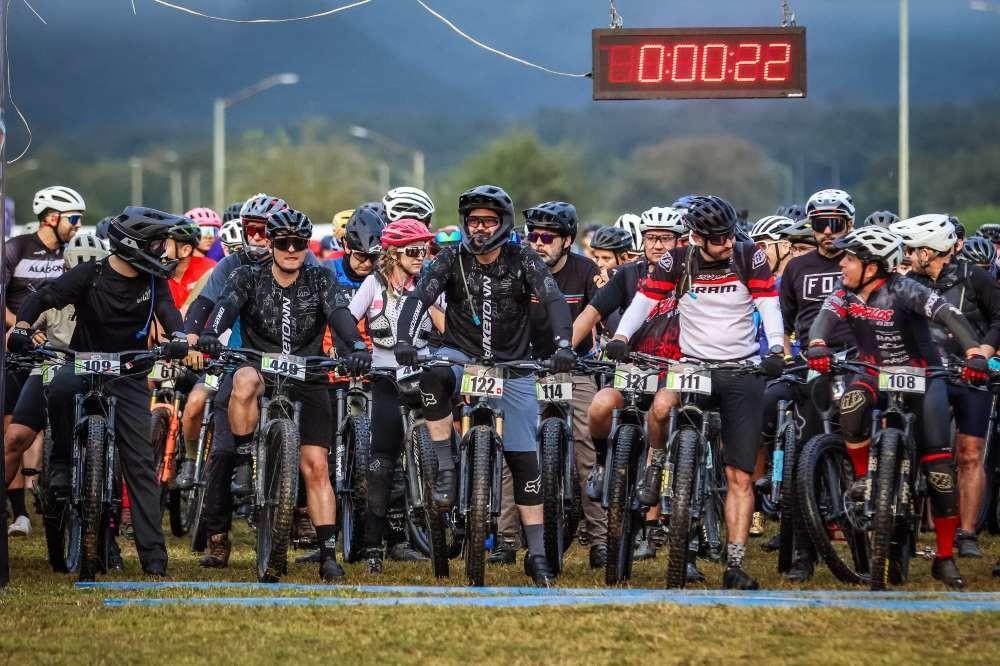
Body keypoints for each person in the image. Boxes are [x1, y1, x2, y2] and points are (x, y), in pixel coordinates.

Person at [393, 185, 576, 586]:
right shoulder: (450, 258)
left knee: (524, 458)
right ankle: (444, 466)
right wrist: (404, 341)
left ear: (503, 224)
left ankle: (538, 554)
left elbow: (554, 299)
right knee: (430, 376)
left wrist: (564, 344)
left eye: (488, 221)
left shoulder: (522, 257)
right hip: (461, 359)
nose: (479, 228)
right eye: (473, 221)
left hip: (514, 367)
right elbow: (417, 299)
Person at [607, 195, 786, 590]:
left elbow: (769, 304)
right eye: (717, 238)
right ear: (696, 237)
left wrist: (774, 346)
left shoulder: (747, 256)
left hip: (742, 369)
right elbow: (643, 301)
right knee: (663, 404)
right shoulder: (677, 261)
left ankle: (735, 564)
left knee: (739, 476)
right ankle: (655, 468)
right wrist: (621, 336)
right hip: (692, 366)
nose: (726, 242)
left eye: (728, 235)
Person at [9, 207, 190, 576]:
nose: (162, 251)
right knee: (58, 387)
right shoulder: (89, 274)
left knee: (140, 465)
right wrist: (22, 327)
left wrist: (181, 338)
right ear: (133, 244)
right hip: (82, 363)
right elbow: (42, 298)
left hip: (129, 375)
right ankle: (59, 464)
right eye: (156, 243)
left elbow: (171, 316)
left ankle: (154, 559)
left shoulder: (155, 282)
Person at [806, 225, 989, 589]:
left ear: (872, 267)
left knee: (938, 470)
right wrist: (816, 345)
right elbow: (821, 323)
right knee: (852, 403)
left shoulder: (906, 289)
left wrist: (973, 352)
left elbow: (951, 316)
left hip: (924, 377)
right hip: (873, 372)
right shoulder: (845, 293)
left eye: (850, 259)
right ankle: (862, 479)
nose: (842, 264)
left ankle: (944, 556)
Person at [196, 207, 372, 582]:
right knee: (242, 380)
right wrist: (211, 332)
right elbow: (225, 309)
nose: (291, 250)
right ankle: (244, 459)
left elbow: (339, 314)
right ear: (272, 245)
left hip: (308, 373)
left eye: (298, 243)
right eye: (283, 243)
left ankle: (327, 553)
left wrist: (355, 345)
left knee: (317, 466)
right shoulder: (247, 275)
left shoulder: (320, 277)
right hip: (259, 364)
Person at [890, 214, 1000, 559]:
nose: (907, 254)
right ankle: (901, 518)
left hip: (970, 375)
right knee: (910, 445)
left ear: (931, 250)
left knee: (968, 454)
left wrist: (985, 349)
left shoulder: (975, 278)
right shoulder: (904, 280)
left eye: (913, 249)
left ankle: (966, 533)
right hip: (923, 374)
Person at [339, 218, 438, 573]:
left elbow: (449, 325)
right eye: (414, 250)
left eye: (425, 249)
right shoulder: (373, 284)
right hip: (385, 378)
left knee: (445, 447)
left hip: (424, 374)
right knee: (381, 462)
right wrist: (352, 350)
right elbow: (346, 320)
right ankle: (373, 548)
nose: (421, 256)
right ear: (393, 253)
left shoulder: (430, 283)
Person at [4, 233, 109, 537]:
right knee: (14, 438)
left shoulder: (114, 295)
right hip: (51, 368)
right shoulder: (50, 294)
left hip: (98, 372)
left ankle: (113, 520)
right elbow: (17, 334)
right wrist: (26, 337)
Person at [520, 201, 606, 568]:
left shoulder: (588, 271)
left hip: (578, 369)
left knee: (587, 444)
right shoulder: (518, 270)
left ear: (567, 240)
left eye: (547, 237)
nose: (538, 243)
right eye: (532, 236)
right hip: (527, 368)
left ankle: (601, 539)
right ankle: (508, 538)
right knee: (517, 446)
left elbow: (610, 315)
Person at [3, 186, 85, 456]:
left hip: (53, 348)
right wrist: (21, 326)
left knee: (46, 428)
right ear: (52, 218)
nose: (79, 225)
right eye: (74, 219)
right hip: (16, 342)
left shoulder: (70, 254)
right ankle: (13, 498)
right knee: (11, 431)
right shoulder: (17, 247)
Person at [163, 217, 217, 315]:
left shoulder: (211, 269)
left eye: (165, 245)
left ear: (185, 250)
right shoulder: (156, 274)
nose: (159, 249)